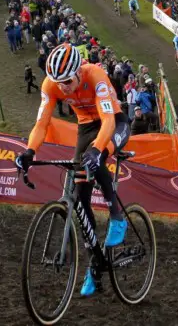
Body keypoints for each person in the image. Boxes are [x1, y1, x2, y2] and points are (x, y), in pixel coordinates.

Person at [16, 44, 130, 297]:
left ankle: (117, 216)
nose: (63, 87)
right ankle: (95, 264)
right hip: (86, 127)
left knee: (97, 157)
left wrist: (98, 149)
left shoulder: (95, 75)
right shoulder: (50, 85)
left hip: (114, 123)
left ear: (79, 71)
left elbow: (109, 121)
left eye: (67, 81)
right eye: (58, 82)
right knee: (79, 197)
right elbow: (42, 123)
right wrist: (29, 152)